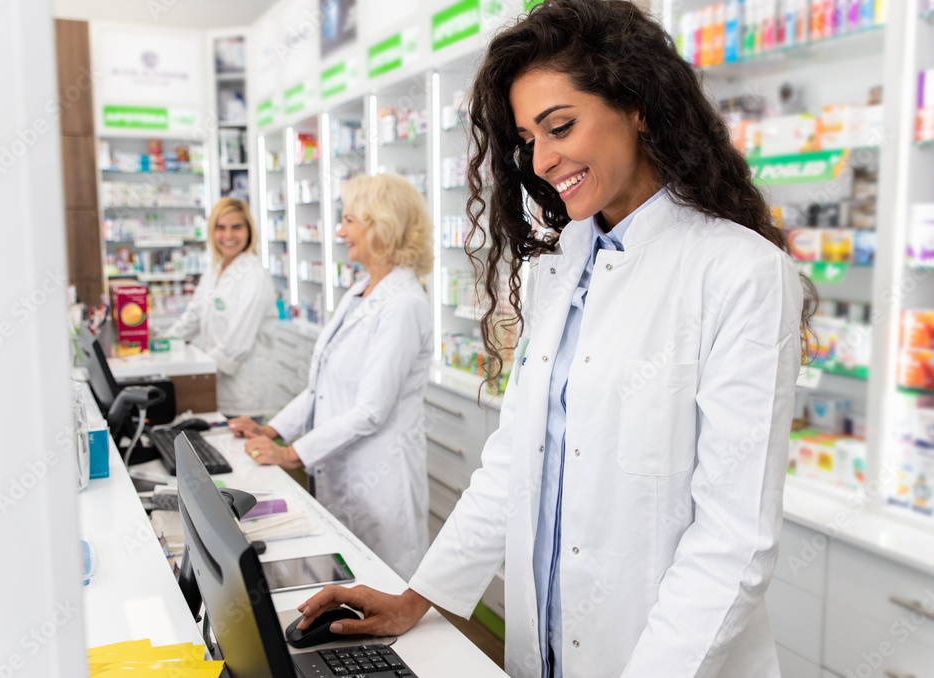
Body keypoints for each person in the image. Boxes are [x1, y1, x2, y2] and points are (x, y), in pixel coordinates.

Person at [293, 2, 815, 677]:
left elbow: (734, 541)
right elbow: (516, 459)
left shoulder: (740, 271)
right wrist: (413, 599)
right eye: (526, 138)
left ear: (639, 106)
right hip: (544, 643)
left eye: (560, 126)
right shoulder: (558, 263)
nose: (541, 159)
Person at [229, 173, 434, 580]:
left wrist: (291, 454)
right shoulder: (361, 291)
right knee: (349, 579)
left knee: (384, 588)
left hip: (379, 478)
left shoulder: (404, 305)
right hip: (341, 470)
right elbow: (320, 388)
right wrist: (272, 430)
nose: (340, 231)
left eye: (349, 220)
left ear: (382, 225)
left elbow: (372, 411)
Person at [165, 197, 280, 419]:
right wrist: (164, 342)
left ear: (249, 231)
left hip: (243, 391)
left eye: (236, 227)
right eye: (221, 228)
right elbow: (194, 315)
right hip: (217, 385)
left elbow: (236, 343)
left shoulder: (254, 275)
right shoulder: (216, 268)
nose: (228, 236)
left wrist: (198, 373)